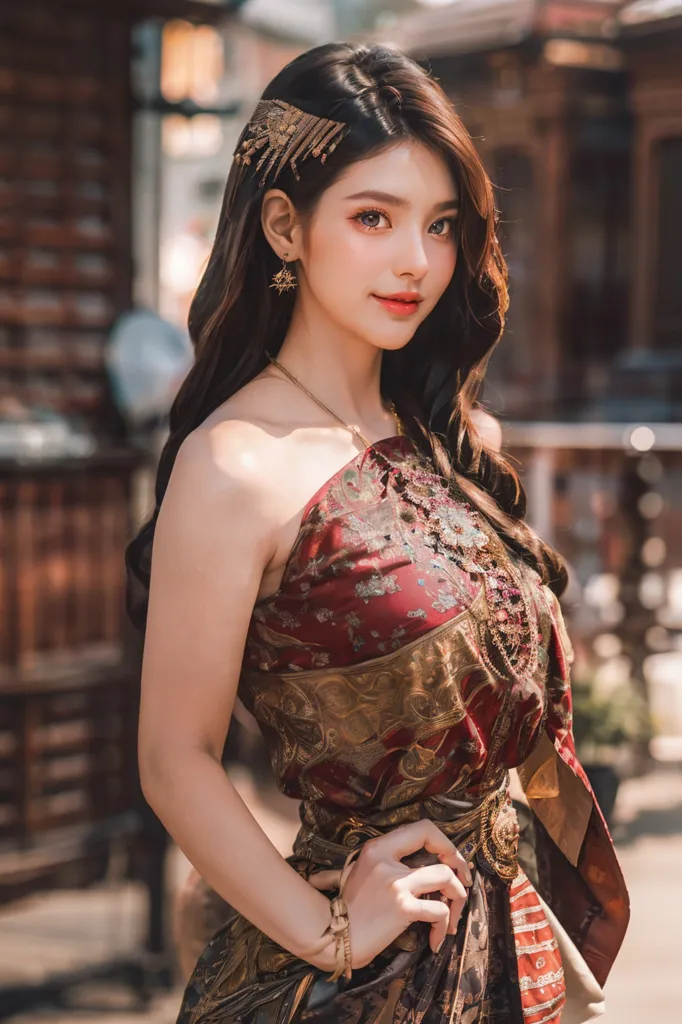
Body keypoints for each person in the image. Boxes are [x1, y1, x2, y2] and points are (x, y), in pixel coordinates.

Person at [127, 43, 629, 1024]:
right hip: (370, 979)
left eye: (440, 225)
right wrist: (328, 933)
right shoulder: (235, 463)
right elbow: (172, 755)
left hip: (511, 947)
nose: (416, 261)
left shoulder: (445, 436)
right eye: (372, 218)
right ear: (284, 225)